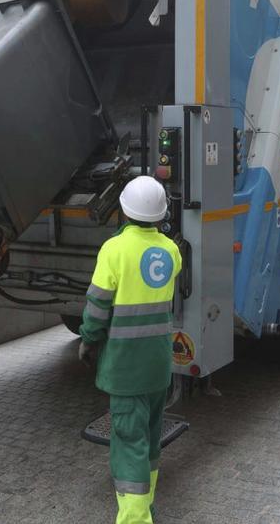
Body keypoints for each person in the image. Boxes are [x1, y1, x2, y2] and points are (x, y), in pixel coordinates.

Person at [79, 176, 181, 524]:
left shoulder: (114, 250)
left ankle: (135, 520)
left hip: (125, 370)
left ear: (123, 210)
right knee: (150, 442)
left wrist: (88, 338)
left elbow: (96, 307)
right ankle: (145, 506)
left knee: (128, 446)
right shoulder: (171, 251)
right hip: (157, 367)